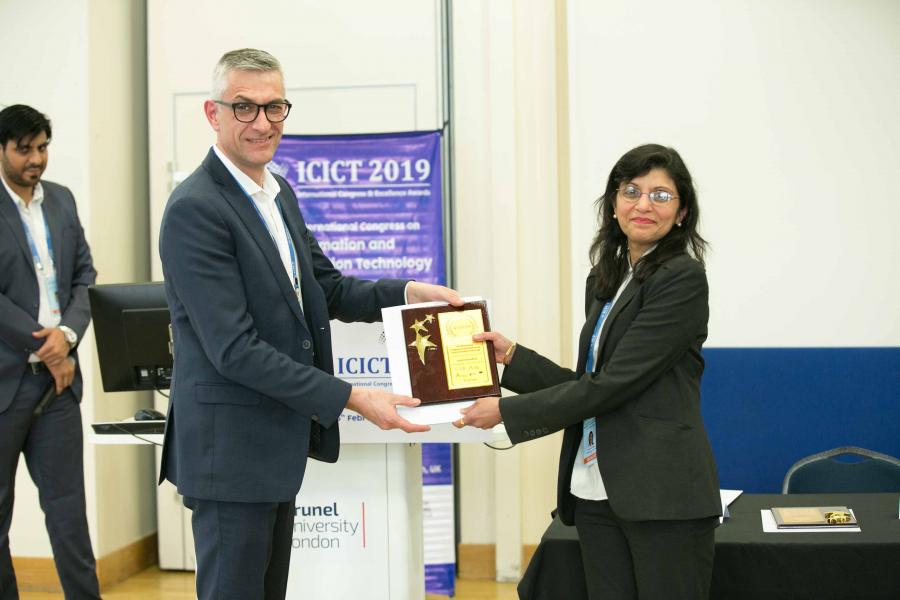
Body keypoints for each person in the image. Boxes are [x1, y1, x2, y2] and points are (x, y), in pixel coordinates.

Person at [158, 48, 460, 600]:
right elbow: (235, 349)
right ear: (213, 113)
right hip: (230, 453)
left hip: (273, 445)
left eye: (274, 107)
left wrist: (408, 293)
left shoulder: (277, 193)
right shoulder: (196, 208)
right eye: (244, 107)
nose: (262, 123)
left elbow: (327, 287)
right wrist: (352, 396)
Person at [459, 144, 721, 600]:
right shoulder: (606, 281)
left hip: (660, 494)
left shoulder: (682, 278)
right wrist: (513, 357)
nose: (643, 204)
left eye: (661, 195)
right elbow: (589, 385)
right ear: (614, 204)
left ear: (681, 213)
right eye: (631, 191)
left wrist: (506, 411)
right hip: (596, 487)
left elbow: (613, 386)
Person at [0, 105, 100, 599]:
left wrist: (69, 336)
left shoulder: (61, 199)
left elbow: (85, 276)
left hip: (57, 388)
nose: (36, 159)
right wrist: (48, 345)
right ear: (1, 149)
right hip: (7, 385)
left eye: (42, 148)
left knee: (69, 516)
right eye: (24, 150)